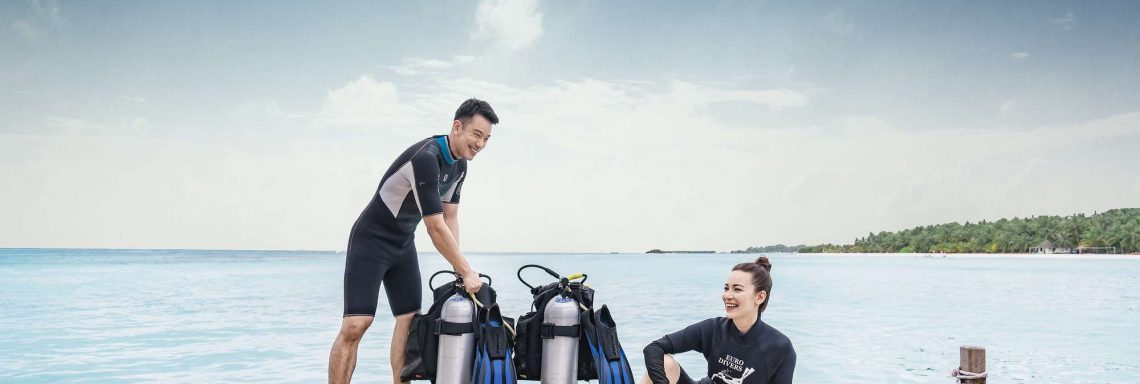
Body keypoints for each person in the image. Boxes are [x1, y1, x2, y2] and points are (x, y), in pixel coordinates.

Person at [328, 98, 499, 384]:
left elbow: (450, 218)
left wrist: (459, 269)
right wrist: (467, 271)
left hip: (402, 245)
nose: (480, 144)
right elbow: (433, 226)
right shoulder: (426, 158)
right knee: (357, 325)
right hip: (370, 240)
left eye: (486, 139)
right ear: (457, 127)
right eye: (477, 135)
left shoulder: (459, 167)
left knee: (409, 321)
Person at [642, 257, 796, 384]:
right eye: (726, 288)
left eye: (737, 289)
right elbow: (654, 348)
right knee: (665, 362)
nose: (727, 295)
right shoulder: (713, 328)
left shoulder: (780, 347)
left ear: (760, 297)